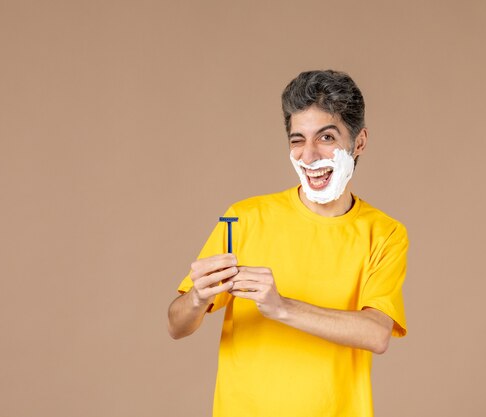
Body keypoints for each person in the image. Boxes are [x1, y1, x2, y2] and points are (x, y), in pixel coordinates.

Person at [167, 70, 408, 417]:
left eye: (326, 137)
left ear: (359, 142)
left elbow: (376, 334)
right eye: (298, 140)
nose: (309, 156)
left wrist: (281, 307)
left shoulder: (384, 233)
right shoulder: (244, 218)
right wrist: (197, 297)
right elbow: (176, 325)